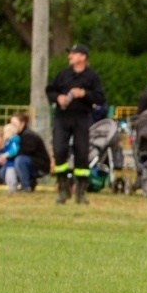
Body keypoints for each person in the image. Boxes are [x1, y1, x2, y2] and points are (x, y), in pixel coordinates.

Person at [45, 43, 106, 204]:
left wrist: (84, 94)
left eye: (73, 53)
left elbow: (100, 97)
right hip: (62, 117)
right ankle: (63, 187)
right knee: (59, 151)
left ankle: (80, 191)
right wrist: (58, 98)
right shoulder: (63, 74)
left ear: (83, 57)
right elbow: (50, 90)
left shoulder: (92, 76)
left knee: (81, 153)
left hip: (82, 118)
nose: (69, 56)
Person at [6, 112, 52, 193]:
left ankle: (26, 186)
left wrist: (8, 156)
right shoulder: (18, 136)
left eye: (14, 124)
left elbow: (25, 152)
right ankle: (29, 182)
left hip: (40, 166)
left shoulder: (28, 136)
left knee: (20, 160)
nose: (12, 126)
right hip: (33, 163)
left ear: (22, 124)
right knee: (6, 169)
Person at [0, 123, 21, 193]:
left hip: (12, 163)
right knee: (7, 176)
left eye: (5, 132)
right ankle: (10, 188)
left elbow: (14, 150)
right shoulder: (8, 141)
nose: (4, 134)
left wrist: (6, 155)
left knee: (11, 176)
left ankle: (13, 188)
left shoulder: (14, 141)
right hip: (8, 163)